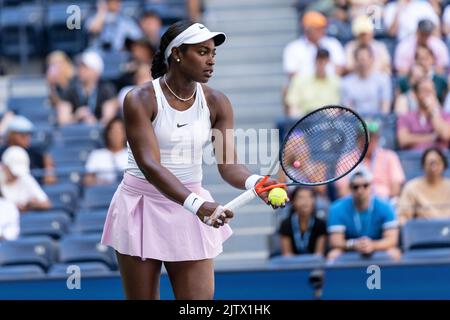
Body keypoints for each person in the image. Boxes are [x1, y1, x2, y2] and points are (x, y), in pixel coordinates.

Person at [101, 21, 284, 300]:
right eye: (202, 52)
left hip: (190, 207)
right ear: (176, 53)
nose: (210, 60)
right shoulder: (139, 99)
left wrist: (256, 182)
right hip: (141, 206)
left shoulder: (217, 102)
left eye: (213, 53)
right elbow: (150, 164)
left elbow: (228, 165)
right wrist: (197, 204)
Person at [327, 168, 401, 261]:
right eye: (356, 187)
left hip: (377, 246)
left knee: (394, 253)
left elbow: (392, 240)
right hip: (350, 247)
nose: (360, 190)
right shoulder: (337, 208)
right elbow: (335, 241)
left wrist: (373, 245)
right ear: (350, 188)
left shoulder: (386, 206)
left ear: (371, 186)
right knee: (333, 255)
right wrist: (354, 244)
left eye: (365, 185)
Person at [335, 121, 405, 200]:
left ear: (377, 138)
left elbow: (395, 189)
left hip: (384, 202)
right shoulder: (345, 159)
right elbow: (343, 191)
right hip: (355, 204)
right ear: (357, 139)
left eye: (371, 137)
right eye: (364, 137)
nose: (368, 141)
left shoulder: (390, 157)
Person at [57, 51, 119, 125]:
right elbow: (62, 121)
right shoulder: (69, 90)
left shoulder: (107, 89)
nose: (81, 70)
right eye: (80, 66)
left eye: (85, 67)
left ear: (96, 71)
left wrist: (94, 122)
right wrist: (76, 117)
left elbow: (109, 120)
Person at [283, 11, 345, 79]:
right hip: (305, 87)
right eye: (318, 28)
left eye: (323, 27)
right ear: (307, 29)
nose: (322, 31)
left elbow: (340, 68)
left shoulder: (333, 44)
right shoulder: (293, 48)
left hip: (329, 86)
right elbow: (292, 74)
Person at [397, 147, 450, 224]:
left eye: (437, 163)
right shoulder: (412, 187)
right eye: (430, 163)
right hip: (422, 232)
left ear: (443, 165)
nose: (434, 168)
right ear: (423, 165)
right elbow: (402, 216)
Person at [0, 115, 56, 185]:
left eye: (28, 135)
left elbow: (46, 157)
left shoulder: (31, 151)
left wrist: (49, 172)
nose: (27, 138)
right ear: (11, 135)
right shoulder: (2, 151)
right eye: (22, 135)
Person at [397, 77, 450, 151]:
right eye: (425, 90)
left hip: (438, 158)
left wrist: (433, 112)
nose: (429, 94)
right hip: (413, 158)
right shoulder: (406, 116)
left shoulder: (446, 115)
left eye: (432, 90)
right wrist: (433, 137)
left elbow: (445, 135)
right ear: (415, 95)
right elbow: (403, 140)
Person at [284, 48, 340, 117]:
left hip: (328, 121)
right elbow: (293, 106)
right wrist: (298, 120)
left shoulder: (336, 81)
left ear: (328, 62)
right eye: (319, 60)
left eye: (324, 60)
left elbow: (337, 108)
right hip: (305, 121)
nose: (321, 63)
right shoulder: (300, 80)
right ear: (315, 60)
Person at [341, 45, 392, 114]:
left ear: (372, 59)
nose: (363, 63)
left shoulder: (383, 80)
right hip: (355, 122)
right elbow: (348, 110)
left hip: (379, 122)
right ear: (355, 61)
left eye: (365, 59)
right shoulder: (346, 82)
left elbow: (385, 108)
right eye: (360, 59)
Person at [0, 146, 51, 213]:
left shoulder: (25, 178)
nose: (16, 176)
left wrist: (31, 204)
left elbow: (46, 204)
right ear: (4, 166)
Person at [278, 187, 327, 256]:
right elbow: (287, 255)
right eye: (301, 197)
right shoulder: (286, 224)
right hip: (292, 265)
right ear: (293, 202)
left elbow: (319, 255)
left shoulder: (320, 224)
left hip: (314, 264)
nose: (306, 201)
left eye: (310, 197)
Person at [84, 116, 128, 185]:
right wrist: (102, 182)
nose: (116, 135)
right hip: (101, 192)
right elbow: (87, 180)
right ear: (107, 133)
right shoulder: (96, 154)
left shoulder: (132, 156)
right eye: (113, 131)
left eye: (119, 131)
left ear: (125, 134)